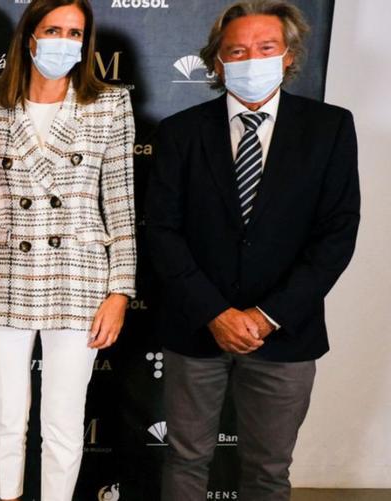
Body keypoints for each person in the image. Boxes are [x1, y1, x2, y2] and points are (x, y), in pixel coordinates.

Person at [148, 2, 360, 499]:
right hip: (196, 330)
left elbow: (336, 234)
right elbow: (162, 231)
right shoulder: (181, 132)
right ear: (217, 63)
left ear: (288, 56)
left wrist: (267, 316)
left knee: (269, 470)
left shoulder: (329, 128)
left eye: (266, 48)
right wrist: (216, 312)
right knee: (185, 461)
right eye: (236, 50)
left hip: (286, 334)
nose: (251, 58)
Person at [0, 0, 137, 499]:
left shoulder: (109, 107)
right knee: (6, 414)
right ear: (29, 37)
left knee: (63, 417)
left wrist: (120, 291)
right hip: (1, 274)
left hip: (79, 276)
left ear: (86, 42)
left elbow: (120, 203)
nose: (63, 41)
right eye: (52, 29)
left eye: (74, 33)